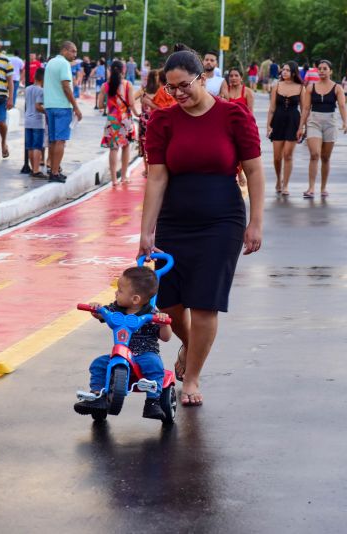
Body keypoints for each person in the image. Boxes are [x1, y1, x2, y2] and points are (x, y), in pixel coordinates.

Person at [139, 46, 264, 406]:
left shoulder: (234, 116)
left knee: (206, 303)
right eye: (171, 87)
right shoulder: (163, 121)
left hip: (221, 220)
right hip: (174, 220)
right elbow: (157, 179)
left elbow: (254, 171)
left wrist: (255, 222)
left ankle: (191, 378)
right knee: (171, 303)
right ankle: (191, 347)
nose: (178, 94)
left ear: (204, 78)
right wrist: (146, 232)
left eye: (184, 85)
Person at [73, 266, 173, 420]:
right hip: (121, 353)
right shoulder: (116, 308)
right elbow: (100, 314)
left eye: (120, 290)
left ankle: (153, 401)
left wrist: (163, 323)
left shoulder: (152, 314)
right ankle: (96, 396)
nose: (116, 293)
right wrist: (96, 309)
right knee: (99, 364)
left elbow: (166, 337)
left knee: (154, 365)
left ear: (135, 299)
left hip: (144, 354)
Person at [300, 59, 347, 199]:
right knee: (314, 154)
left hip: (330, 122)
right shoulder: (310, 87)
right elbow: (306, 108)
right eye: (320, 68)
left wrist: (345, 122)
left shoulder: (337, 88)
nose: (321, 71)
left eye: (325, 68)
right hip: (314, 121)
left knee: (325, 157)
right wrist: (301, 126)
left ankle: (323, 187)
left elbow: (342, 106)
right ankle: (311, 188)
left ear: (330, 71)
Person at [43, 41, 82, 183]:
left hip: (50, 106)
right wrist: (76, 107)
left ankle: (52, 169)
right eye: (73, 51)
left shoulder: (51, 63)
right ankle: (54, 172)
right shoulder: (64, 64)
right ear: (65, 50)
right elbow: (66, 87)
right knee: (60, 141)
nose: (74, 55)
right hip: (62, 106)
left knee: (53, 140)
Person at [266, 61, 304, 196]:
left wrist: (301, 127)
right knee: (277, 157)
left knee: (288, 155)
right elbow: (272, 108)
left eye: (287, 70)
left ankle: (286, 184)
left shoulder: (301, 88)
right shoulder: (277, 86)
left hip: (293, 121)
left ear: (293, 72)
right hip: (278, 121)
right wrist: (268, 125)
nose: (284, 72)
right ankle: (278, 180)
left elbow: (304, 109)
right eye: (283, 70)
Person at [99, 59, 138, 186]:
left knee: (113, 149)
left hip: (112, 120)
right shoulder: (128, 85)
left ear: (111, 70)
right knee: (126, 146)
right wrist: (137, 114)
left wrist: (109, 105)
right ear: (123, 70)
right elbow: (131, 103)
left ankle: (114, 179)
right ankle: (124, 177)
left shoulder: (105, 85)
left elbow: (100, 105)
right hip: (125, 119)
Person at [136, 68, 160, 175]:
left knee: (146, 146)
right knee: (153, 146)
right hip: (156, 121)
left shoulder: (143, 90)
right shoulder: (162, 91)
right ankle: (151, 170)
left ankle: (147, 170)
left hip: (145, 120)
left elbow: (131, 100)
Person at [24, 67, 45, 178]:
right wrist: (46, 112)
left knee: (30, 147)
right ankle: (36, 170)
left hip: (27, 120)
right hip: (37, 120)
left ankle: (33, 168)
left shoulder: (27, 89)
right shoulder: (41, 91)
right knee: (37, 146)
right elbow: (38, 106)